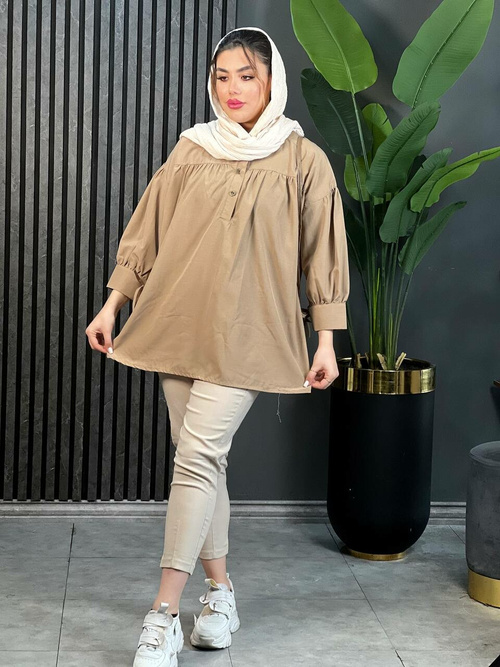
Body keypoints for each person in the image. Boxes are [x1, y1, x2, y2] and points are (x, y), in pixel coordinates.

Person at [86, 25, 350, 667]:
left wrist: (326, 339)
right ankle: (221, 595)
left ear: (271, 81)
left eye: (246, 76)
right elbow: (148, 229)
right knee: (204, 461)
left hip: (253, 331)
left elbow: (322, 253)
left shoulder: (303, 160)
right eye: (222, 76)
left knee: (197, 458)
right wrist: (114, 302)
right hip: (178, 318)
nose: (232, 89)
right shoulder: (193, 148)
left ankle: (162, 616)